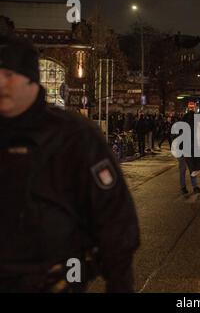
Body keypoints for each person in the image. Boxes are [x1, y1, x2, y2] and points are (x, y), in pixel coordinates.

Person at [0, 36, 140, 292]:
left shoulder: (74, 136)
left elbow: (115, 218)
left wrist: (120, 284)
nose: (0, 83)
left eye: (9, 74)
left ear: (31, 77)